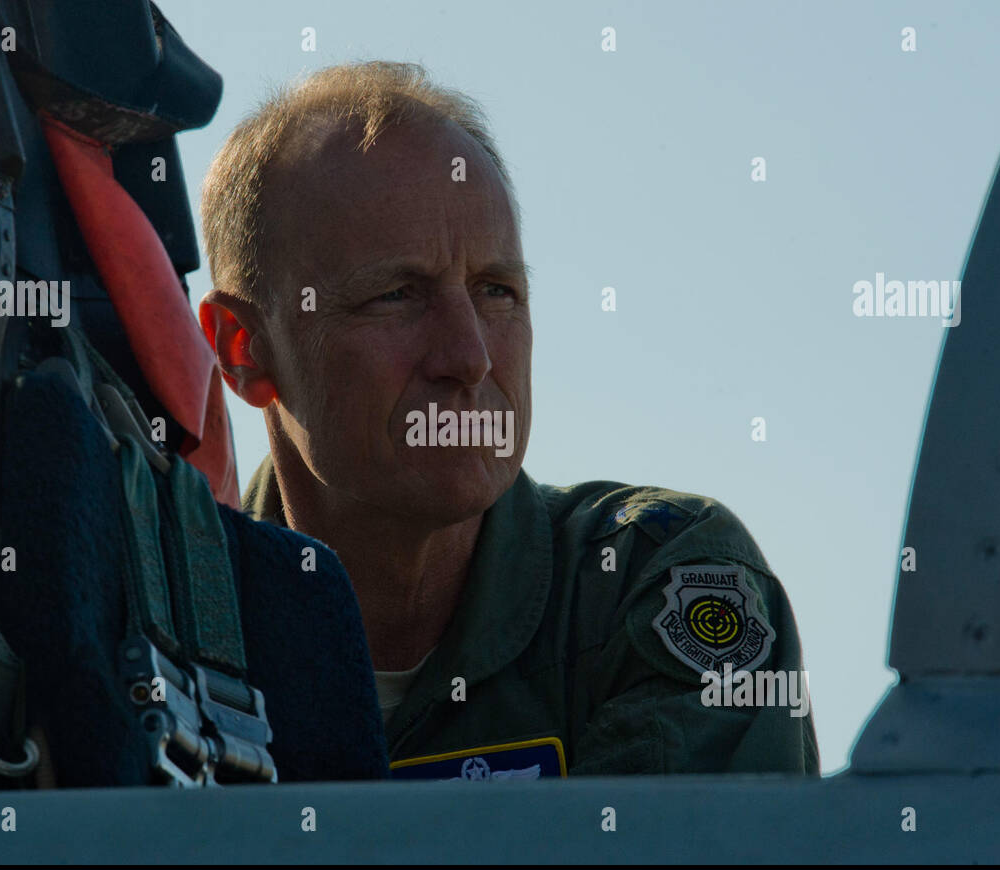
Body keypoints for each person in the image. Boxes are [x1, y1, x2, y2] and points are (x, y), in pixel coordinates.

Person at [197, 61, 819, 778]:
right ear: (243, 351)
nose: (470, 356)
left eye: (498, 291)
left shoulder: (651, 579)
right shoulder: (170, 625)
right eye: (397, 295)